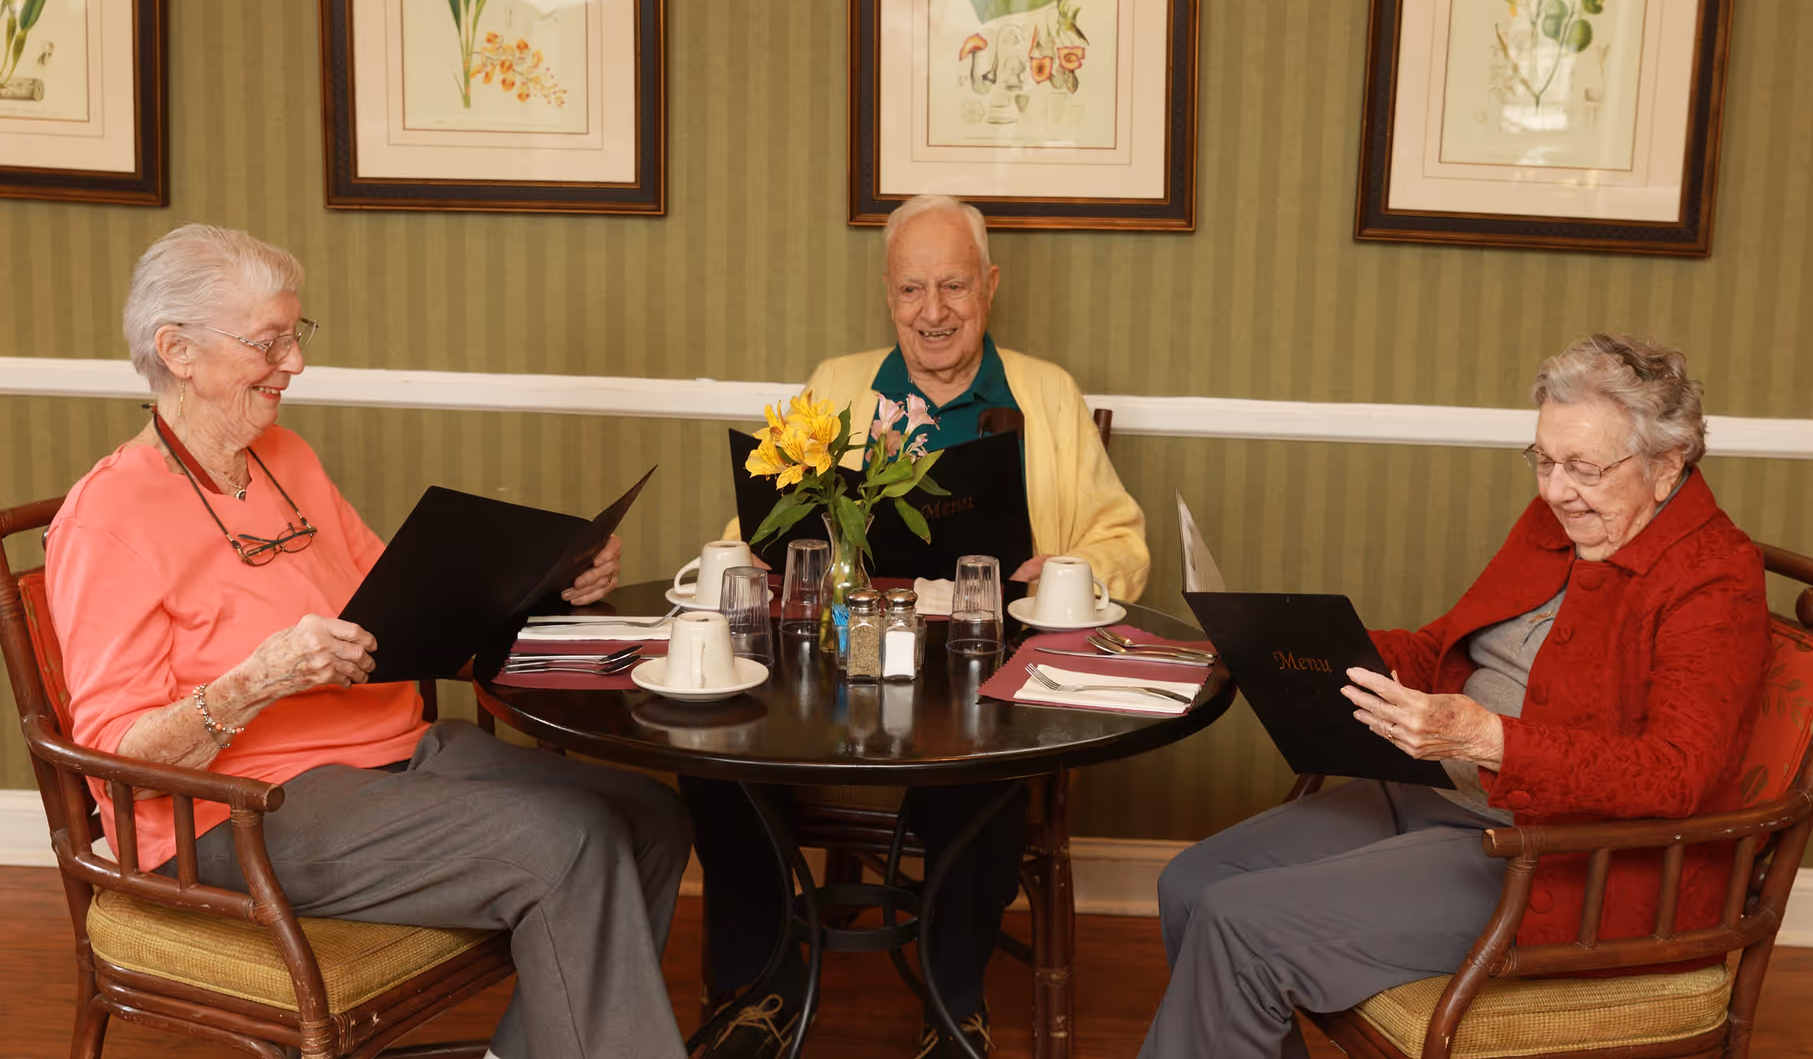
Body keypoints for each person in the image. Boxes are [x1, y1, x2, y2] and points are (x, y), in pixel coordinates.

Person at [46, 224, 693, 1059]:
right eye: (268, 342)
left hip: (396, 755)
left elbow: (402, 609)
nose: (296, 363)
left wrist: (550, 583)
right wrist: (261, 678)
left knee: (650, 814)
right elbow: (113, 749)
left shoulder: (284, 457)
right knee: (564, 841)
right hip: (244, 813)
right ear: (178, 350)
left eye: (294, 335)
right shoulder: (107, 519)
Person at [1143, 334, 1770, 1059]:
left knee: (1239, 921)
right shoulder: (1558, 525)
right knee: (1195, 882)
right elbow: (1447, 647)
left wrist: (1489, 739)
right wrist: (1284, 645)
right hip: (1447, 790)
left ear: (1667, 468)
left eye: (1584, 468)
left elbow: (1677, 773)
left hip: (1561, 856)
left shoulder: (1712, 578)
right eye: (1543, 459)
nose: (1554, 491)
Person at [690, 194, 1149, 1058]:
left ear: (991, 287)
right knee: (719, 745)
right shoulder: (838, 384)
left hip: (984, 666)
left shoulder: (1044, 394)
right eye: (911, 290)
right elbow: (751, 527)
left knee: (980, 755)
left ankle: (953, 1002)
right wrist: (745, 557)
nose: (932, 312)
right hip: (841, 663)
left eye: (953, 287)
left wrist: (1068, 572)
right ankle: (756, 992)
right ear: (887, 296)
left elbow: (1118, 538)